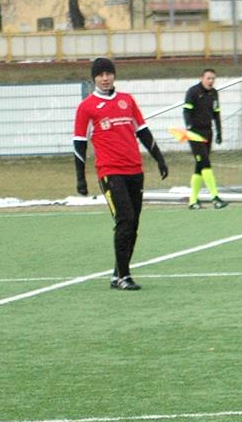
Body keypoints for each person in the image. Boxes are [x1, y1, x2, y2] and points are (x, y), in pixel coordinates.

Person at [72, 57, 169, 290]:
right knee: (124, 219)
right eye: (100, 75)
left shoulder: (127, 100)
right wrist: (80, 177)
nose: (105, 78)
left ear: (114, 75)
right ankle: (124, 276)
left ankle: (117, 273)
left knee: (133, 223)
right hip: (110, 172)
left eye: (109, 73)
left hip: (134, 169)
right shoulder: (87, 107)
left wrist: (159, 158)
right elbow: (79, 142)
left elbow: (143, 131)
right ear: (94, 78)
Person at [182, 68, 229, 210]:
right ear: (202, 78)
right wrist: (189, 126)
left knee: (200, 166)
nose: (211, 81)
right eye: (208, 78)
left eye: (213, 78)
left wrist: (219, 132)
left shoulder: (214, 93)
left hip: (208, 132)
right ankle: (215, 197)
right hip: (195, 133)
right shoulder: (193, 92)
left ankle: (192, 201)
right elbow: (186, 111)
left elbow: (216, 114)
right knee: (205, 163)